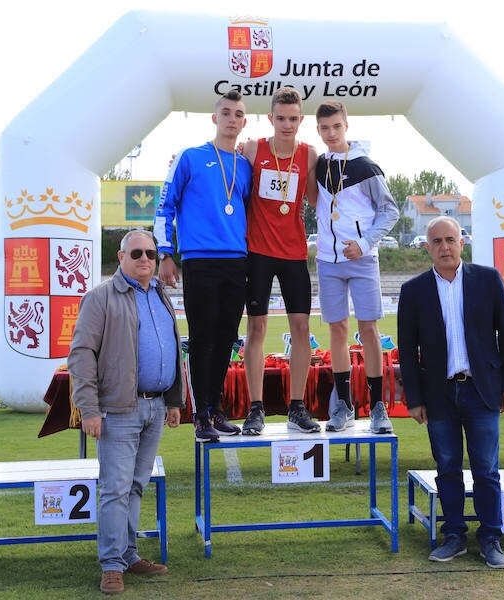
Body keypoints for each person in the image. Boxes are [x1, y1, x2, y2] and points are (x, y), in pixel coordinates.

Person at [397, 216, 504, 569]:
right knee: (447, 467)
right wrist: (415, 399)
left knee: (486, 469)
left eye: (450, 239)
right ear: (427, 248)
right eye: (436, 241)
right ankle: (454, 536)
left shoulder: (488, 280)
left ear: (462, 242)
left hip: (481, 391)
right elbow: (407, 350)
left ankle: (491, 539)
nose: (444, 247)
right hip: (438, 395)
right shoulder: (414, 290)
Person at [68, 230, 184, 595]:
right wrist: (89, 408)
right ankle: (112, 564)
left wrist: (175, 401)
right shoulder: (100, 297)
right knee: (115, 489)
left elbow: (173, 351)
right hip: (119, 409)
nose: (145, 259)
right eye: (137, 253)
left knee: (136, 486)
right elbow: (81, 353)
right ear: (121, 257)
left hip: (155, 405)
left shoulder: (161, 295)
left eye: (151, 252)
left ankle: (128, 555)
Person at [154, 90, 252, 442]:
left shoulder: (246, 166)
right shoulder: (190, 158)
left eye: (238, 114)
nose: (231, 119)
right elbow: (165, 205)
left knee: (226, 339)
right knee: (201, 340)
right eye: (225, 112)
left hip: (236, 262)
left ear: (244, 122)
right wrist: (166, 254)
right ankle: (200, 416)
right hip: (199, 261)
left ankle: (216, 409)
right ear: (215, 118)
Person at [313, 100, 399, 434]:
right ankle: (344, 405)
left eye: (336, 126)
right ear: (318, 130)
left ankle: (377, 406)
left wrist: (364, 244)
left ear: (346, 125)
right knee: (337, 330)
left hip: (362, 259)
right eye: (324, 128)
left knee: (368, 330)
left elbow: (389, 210)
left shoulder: (366, 166)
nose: (331, 133)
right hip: (327, 260)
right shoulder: (319, 165)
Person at [240, 87, 320, 435]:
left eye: (293, 119)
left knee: (301, 328)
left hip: (294, 254)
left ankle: (297, 407)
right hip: (257, 252)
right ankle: (255, 408)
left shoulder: (309, 155)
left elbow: (320, 200)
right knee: (256, 328)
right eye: (281, 118)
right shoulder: (253, 149)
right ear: (270, 118)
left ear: (300, 120)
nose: (287, 124)